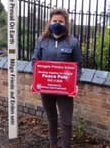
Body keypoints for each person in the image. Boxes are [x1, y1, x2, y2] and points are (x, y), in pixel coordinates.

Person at [32, 9, 82, 148]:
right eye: (55, 21)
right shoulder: (42, 40)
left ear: (66, 23)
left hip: (65, 90)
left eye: (61, 21)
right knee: (51, 119)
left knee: (66, 122)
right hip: (46, 89)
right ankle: (53, 145)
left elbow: (78, 65)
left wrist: (75, 83)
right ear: (50, 22)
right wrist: (35, 81)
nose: (57, 23)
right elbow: (35, 62)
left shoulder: (73, 42)